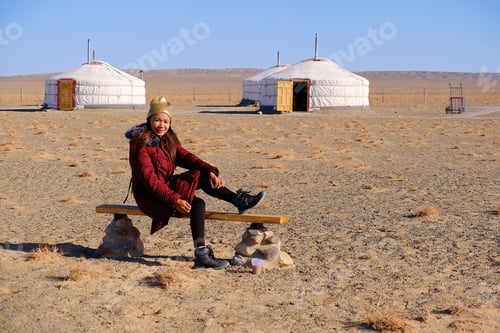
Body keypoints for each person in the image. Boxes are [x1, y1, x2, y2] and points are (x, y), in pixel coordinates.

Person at [125, 96, 265, 269]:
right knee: (197, 204)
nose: (161, 125)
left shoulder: (167, 139)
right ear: (149, 120)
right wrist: (175, 200)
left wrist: (211, 171)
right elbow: (150, 181)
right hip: (149, 196)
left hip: (165, 188)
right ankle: (202, 255)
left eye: (166, 121)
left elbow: (187, 157)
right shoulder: (140, 145)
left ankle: (239, 201)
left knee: (202, 174)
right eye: (157, 120)